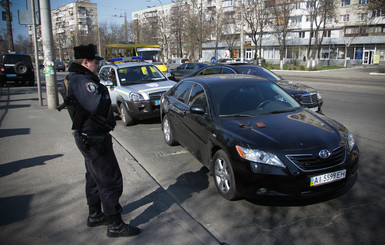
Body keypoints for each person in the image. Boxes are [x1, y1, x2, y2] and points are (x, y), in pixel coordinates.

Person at [60, 43, 140, 237]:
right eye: (96, 61)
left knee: (94, 177)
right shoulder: (82, 81)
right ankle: (115, 224)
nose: (98, 64)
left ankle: (95, 215)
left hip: (88, 136)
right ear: (85, 62)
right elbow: (96, 105)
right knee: (110, 181)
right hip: (94, 138)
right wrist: (104, 90)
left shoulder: (77, 78)